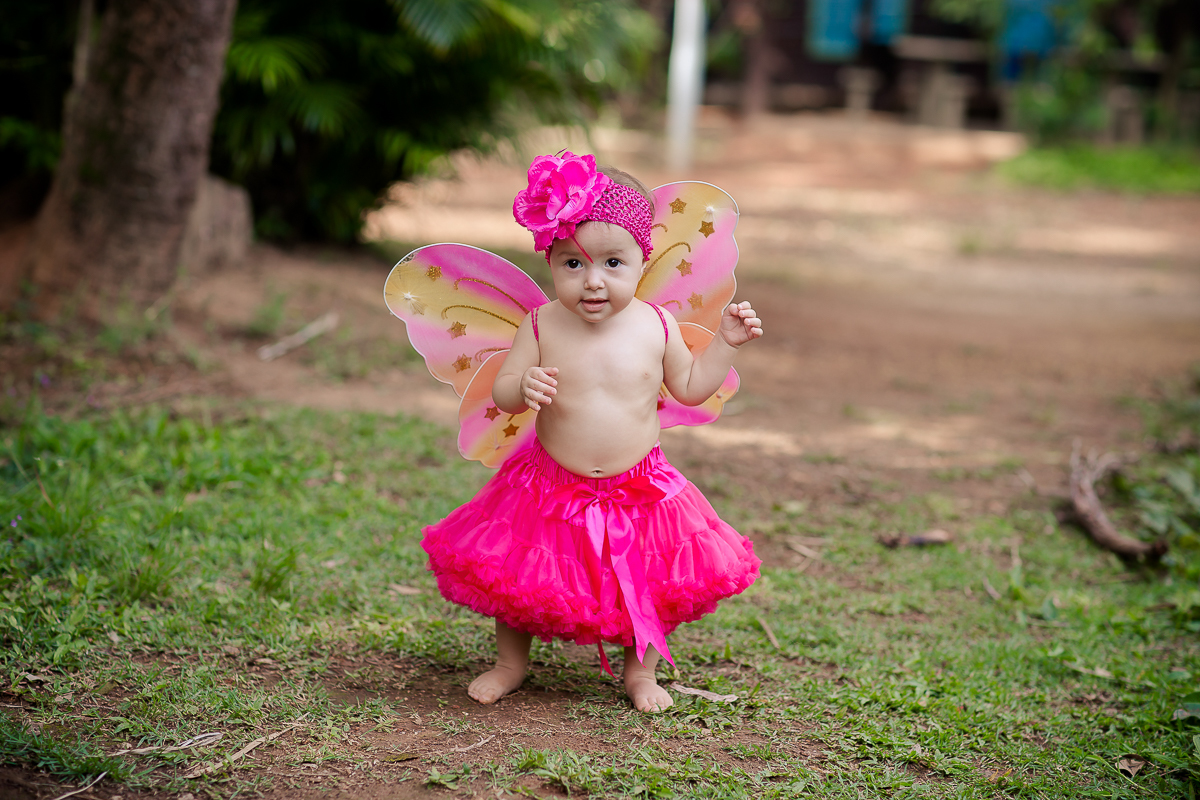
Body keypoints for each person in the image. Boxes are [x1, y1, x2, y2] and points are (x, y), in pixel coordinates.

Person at [421, 152, 763, 712]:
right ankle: (511, 662)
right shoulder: (541, 323)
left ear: (641, 259)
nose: (593, 281)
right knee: (521, 575)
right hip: (548, 483)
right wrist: (523, 385)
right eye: (572, 265)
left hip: (640, 485)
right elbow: (503, 389)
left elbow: (692, 387)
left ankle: (640, 673)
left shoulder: (657, 325)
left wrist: (724, 342)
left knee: (648, 582)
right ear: (550, 261)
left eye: (612, 263)